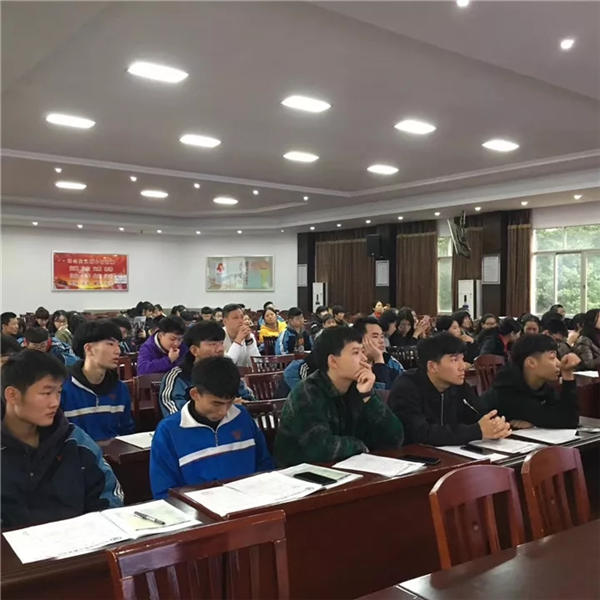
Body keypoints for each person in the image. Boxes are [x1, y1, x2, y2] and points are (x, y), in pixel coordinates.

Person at [2, 350, 123, 528]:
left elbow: (109, 496)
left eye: (58, 392)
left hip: (81, 540)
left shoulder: (74, 440)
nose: (55, 403)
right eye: (46, 393)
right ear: (12, 395)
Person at [274, 327, 404, 467]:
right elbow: (319, 448)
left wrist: (368, 397)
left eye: (363, 351)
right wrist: (360, 446)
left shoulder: (359, 387)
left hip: (351, 468)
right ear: (333, 361)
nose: (364, 358)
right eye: (356, 352)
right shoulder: (307, 393)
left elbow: (395, 437)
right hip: (303, 474)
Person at [150, 356, 273, 499]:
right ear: (195, 394)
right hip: (197, 509)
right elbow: (164, 492)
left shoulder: (242, 417)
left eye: (229, 403)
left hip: (251, 502)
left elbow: (265, 465)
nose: (223, 412)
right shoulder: (168, 431)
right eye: (216, 403)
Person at [387, 333, 510, 446]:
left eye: (462, 359)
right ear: (432, 366)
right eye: (454, 360)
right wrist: (476, 431)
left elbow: (478, 413)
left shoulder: (458, 385)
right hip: (413, 457)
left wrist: (495, 426)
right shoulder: (406, 387)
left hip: (450, 453)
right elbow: (420, 434)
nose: (463, 366)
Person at [480, 334, 580, 428]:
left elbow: (565, 414)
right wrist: (567, 374)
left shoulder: (541, 386)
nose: (559, 363)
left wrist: (535, 421)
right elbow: (567, 420)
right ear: (531, 362)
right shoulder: (508, 391)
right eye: (552, 358)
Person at [159, 321, 255, 417]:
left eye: (221, 343)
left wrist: (238, 406)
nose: (220, 349)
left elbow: (250, 400)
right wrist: (220, 408)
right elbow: (174, 414)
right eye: (213, 344)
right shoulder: (178, 377)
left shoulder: (228, 372)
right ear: (194, 350)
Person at [60, 319, 135, 440]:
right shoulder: (62, 389)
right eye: (110, 344)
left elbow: (127, 433)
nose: (118, 351)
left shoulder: (120, 389)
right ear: (89, 348)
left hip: (115, 451)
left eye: (118, 344)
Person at [353, 317, 404, 389]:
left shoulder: (392, 363)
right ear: (360, 340)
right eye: (375, 336)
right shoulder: (352, 366)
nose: (381, 341)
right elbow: (380, 393)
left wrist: (379, 359)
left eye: (382, 336)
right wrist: (379, 360)